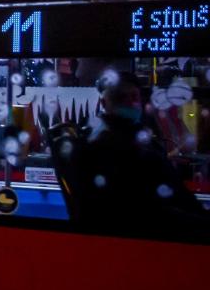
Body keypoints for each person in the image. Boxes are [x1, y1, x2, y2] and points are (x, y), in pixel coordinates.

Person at [70, 76, 206, 234]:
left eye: (133, 97)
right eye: (123, 97)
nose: (131, 102)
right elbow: (166, 210)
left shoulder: (83, 145)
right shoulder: (142, 153)